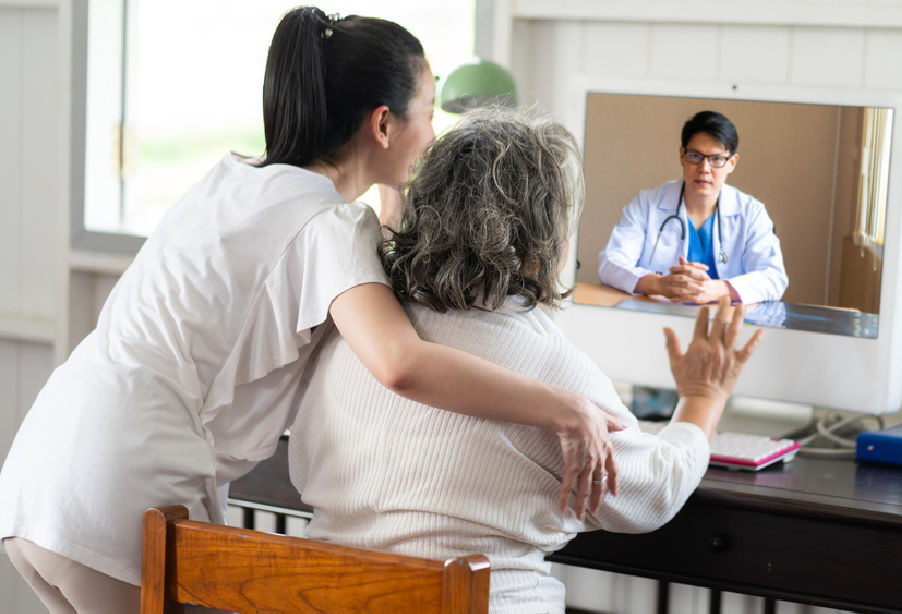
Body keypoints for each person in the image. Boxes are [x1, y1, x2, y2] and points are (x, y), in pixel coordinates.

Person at [0, 9, 623, 613]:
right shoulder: (328, 226)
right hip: (117, 493)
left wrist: (391, 193)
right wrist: (566, 408)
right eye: (428, 115)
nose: (434, 138)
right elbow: (401, 362)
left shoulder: (231, 179)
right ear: (383, 125)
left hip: (45, 471)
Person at [289, 108, 763, 613]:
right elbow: (654, 493)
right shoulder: (548, 369)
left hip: (321, 599)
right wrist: (701, 400)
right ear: (543, 235)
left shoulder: (355, 330)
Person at [597, 110, 788, 304]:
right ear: (682, 155)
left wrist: (718, 289)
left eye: (716, 159)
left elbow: (774, 277)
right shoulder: (647, 204)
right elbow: (610, 262)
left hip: (724, 326)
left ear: (732, 163)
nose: (704, 168)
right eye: (695, 155)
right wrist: (661, 284)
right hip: (656, 319)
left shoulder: (751, 213)